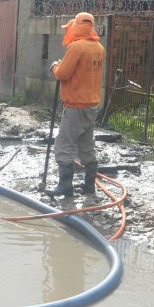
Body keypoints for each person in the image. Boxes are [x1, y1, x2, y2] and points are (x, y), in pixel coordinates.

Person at [48, 12, 105, 198]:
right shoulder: (99, 48)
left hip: (75, 106)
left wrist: (54, 67)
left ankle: (65, 187)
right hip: (91, 106)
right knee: (86, 146)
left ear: (76, 26)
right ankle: (89, 187)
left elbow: (63, 74)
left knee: (64, 145)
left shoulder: (77, 47)